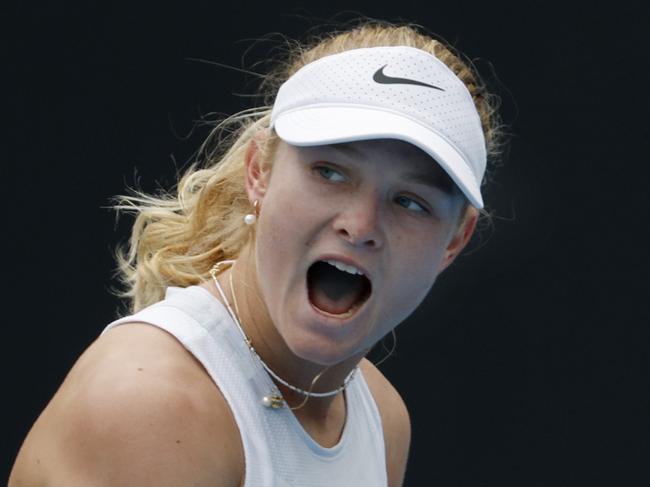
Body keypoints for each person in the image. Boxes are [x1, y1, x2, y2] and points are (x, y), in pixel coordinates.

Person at [9, 20, 504, 486]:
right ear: (258, 172)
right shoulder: (150, 404)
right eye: (330, 172)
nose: (360, 226)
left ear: (454, 241)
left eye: (409, 202)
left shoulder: (381, 416)